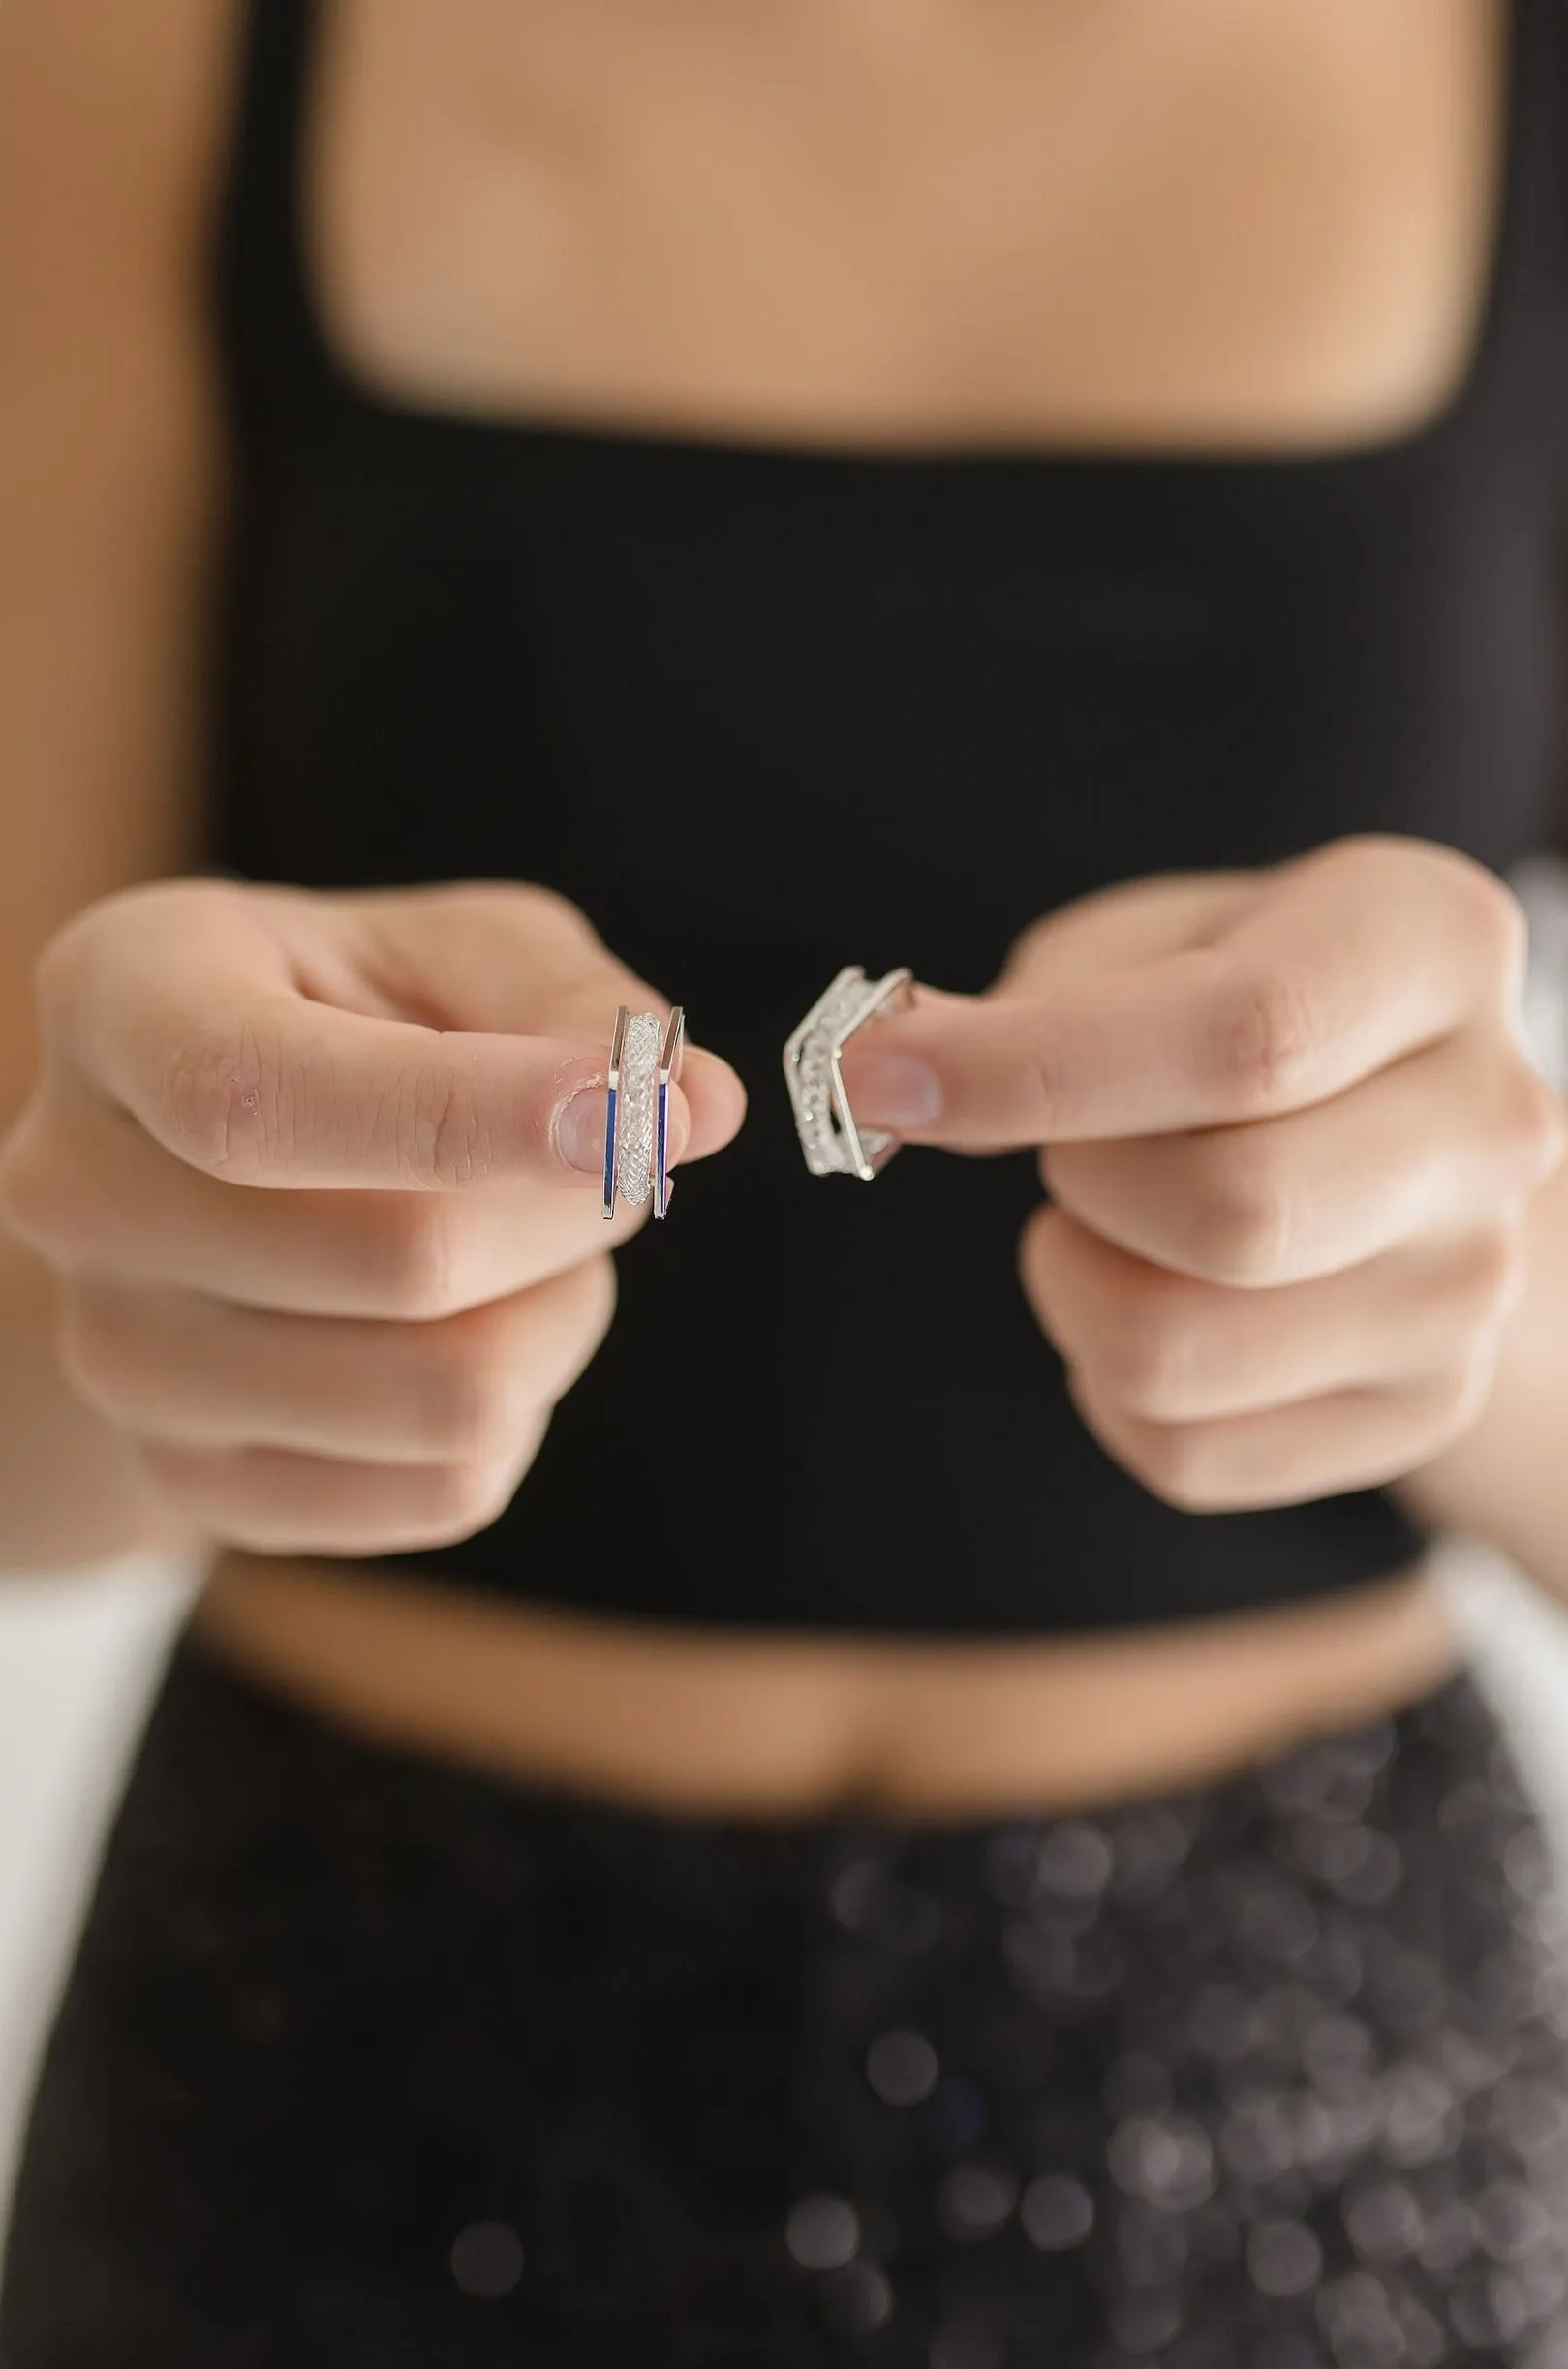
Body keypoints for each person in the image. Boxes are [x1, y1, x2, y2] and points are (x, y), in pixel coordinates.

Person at [2, 0, 1568, 2360]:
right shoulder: (120, 53)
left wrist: (1478, 1303)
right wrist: (171, 1264)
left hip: (1317, 2092)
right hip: (337, 2053)